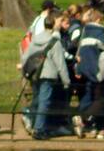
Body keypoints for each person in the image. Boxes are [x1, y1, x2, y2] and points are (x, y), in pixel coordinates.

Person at [24, 11, 72, 139]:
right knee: (44, 102)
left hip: (35, 75)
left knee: (37, 100)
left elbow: (26, 56)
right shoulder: (54, 42)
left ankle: (34, 124)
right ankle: (39, 130)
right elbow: (60, 64)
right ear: (54, 25)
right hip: (48, 75)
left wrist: (25, 71)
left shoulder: (36, 39)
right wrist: (66, 81)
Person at [75, 8, 104, 139]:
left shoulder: (84, 34)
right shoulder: (101, 35)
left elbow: (80, 53)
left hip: (85, 73)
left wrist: (79, 69)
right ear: (98, 20)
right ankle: (86, 120)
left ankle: (96, 128)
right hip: (99, 74)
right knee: (102, 101)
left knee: (89, 99)